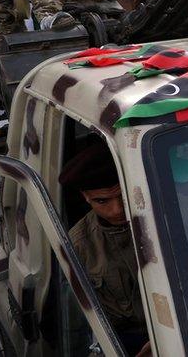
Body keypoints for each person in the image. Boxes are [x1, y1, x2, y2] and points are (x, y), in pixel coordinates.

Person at [60, 141, 148, 356]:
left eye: (123, 196)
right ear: (86, 197)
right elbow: (75, 322)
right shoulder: (78, 246)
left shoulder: (179, 215)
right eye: (102, 201)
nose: (117, 210)